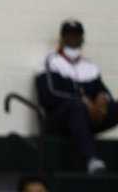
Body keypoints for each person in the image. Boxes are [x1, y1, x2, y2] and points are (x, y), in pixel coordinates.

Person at [37, 19, 118, 174]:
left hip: (87, 119)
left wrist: (102, 100)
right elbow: (48, 96)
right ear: (62, 38)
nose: (73, 39)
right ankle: (92, 159)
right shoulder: (51, 61)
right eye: (69, 35)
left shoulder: (90, 67)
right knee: (77, 106)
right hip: (58, 120)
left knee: (113, 106)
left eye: (77, 35)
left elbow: (104, 92)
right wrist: (84, 101)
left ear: (82, 38)